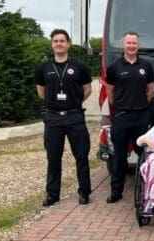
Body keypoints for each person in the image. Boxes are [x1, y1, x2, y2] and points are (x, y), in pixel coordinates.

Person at [35, 29, 92, 206]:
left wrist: (73, 103)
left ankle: (84, 192)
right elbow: (41, 92)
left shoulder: (79, 67)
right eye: (56, 41)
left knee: (81, 156)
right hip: (53, 119)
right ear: (52, 44)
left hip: (74, 116)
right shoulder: (43, 68)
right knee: (53, 157)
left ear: (68, 44)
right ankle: (52, 194)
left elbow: (87, 89)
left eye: (62, 41)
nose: (59, 44)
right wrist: (55, 105)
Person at [105, 31, 154, 203]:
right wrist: (122, 106)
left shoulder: (146, 66)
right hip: (122, 116)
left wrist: (140, 105)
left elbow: (150, 91)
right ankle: (116, 192)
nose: (131, 46)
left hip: (141, 117)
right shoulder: (114, 67)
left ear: (138, 45)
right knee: (119, 157)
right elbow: (110, 92)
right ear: (123, 45)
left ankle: (145, 190)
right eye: (128, 43)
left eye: (134, 43)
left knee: (144, 155)